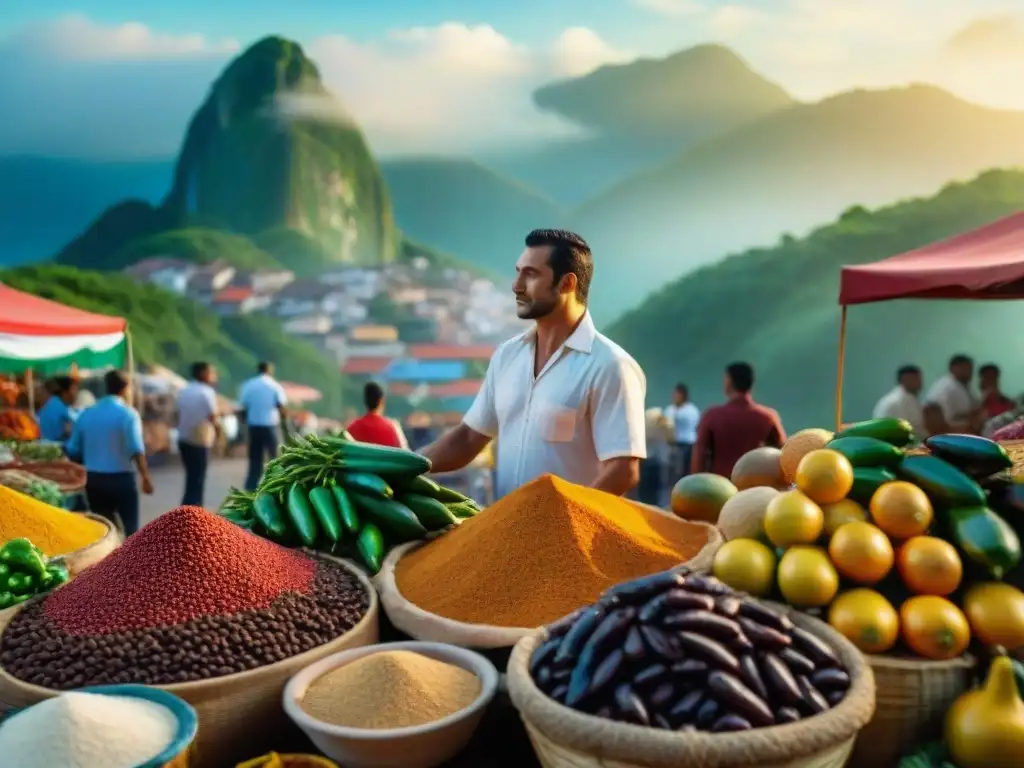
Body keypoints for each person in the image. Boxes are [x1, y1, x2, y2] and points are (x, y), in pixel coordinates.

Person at [420, 229, 646, 498]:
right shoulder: (507, 356)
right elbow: (470, 438)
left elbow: (623, 470)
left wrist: (567, 526)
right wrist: (404, 468)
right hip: (507, 532)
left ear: (566, 284)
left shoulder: (610, 365)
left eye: (531, 274)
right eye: (518, 272)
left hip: (569, 536)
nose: (516, 285)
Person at [66, 369, 153, 536]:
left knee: (104, 531)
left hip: (94, 480)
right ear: (125, 389)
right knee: (131, 532)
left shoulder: (87, 413)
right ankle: (130, 561)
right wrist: (145, 477)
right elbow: (136, 448)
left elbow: (73, 449)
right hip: (122, 480)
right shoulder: (128, 414)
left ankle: (109, 561)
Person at [691, 362, 785, 477]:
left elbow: (699, 455)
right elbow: (784, 454)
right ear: (751, 384)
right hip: (754, 488)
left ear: (729, 381)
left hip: (719, 488)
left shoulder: (712, 416)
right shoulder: (768, 417)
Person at [176, 361, 220, 507]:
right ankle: (193, 514)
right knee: (198, 479)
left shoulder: (184, 390)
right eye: (211, 372)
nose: (214, 376)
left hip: (183, 439)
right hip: (199, 440)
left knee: (191, 477)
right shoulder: (207, 392)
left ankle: (187, 510)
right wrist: (219, 434)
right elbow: (213, 416)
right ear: (203, 374)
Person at [239, 361, 288, 490]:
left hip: (254, 426)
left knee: (255, 460)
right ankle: (274, 485)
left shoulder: (248, 385)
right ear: (270, 371)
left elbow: (243, 407)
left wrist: (243, 427)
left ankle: (250, 488)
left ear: (258, 370)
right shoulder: (275, 386)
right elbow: (281, 407)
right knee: (274, 459)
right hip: (270, 426)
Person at [924, 354, 982, 435]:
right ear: (954, 368)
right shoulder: (949, 386)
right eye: (965, 369)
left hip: (957, 427)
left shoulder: (963, 385)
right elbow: (955, 416)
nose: (969, 372)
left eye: (970, 369)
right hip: (948, 430)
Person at [347, 382, 409, 448]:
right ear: (381, 401)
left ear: (365, 401)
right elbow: (405, 452)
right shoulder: (392, 427)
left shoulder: (353, 428)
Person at [872, 364, 925, 436]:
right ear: (904, 379)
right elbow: (916, 430)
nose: (920, 382)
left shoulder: (896, 398)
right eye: (916, 379)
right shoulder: (901, 401)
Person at [664, 383, 700, 484]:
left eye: (677, 394)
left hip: (687, 444)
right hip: (673, 444)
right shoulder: (670, 409)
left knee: (685, 471)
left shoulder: (691, 410)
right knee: (672, 473)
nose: (675, 397)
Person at [37, 375, 79, 443]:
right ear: (65, 392)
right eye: (73, 389)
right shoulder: (60, 409)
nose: (76, 393)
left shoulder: (53, 404)